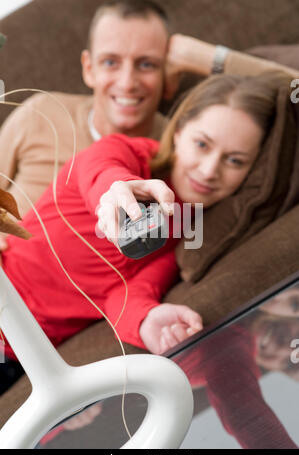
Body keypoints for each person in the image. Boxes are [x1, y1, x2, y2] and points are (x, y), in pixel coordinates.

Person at [0, 70, 289, 370]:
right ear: (178, 132)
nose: (208, 170)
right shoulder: (122, 152)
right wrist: (114, 190)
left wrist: (146, 321)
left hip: (21, 358)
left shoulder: (186, 237)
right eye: (202, 144)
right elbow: (99, 169)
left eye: (234, 161)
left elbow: (124, 298)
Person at [0, 0, 298, 221]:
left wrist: (206, 57)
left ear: (168, 76)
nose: (128, 83)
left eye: (147, 64)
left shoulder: (180, 153)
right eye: (110, 62)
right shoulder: (41, 112)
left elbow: (293, 94)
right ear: (88, 69)